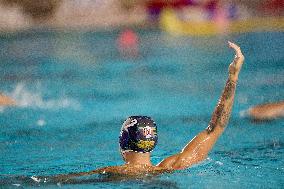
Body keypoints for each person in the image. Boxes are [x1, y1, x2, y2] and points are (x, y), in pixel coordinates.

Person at [53, 41, 244, 182]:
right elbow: (215, 127)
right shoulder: (173, 167)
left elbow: (53, 181)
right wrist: (232, 77)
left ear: (123, 143)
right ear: (153, 142)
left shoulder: (112, 173)